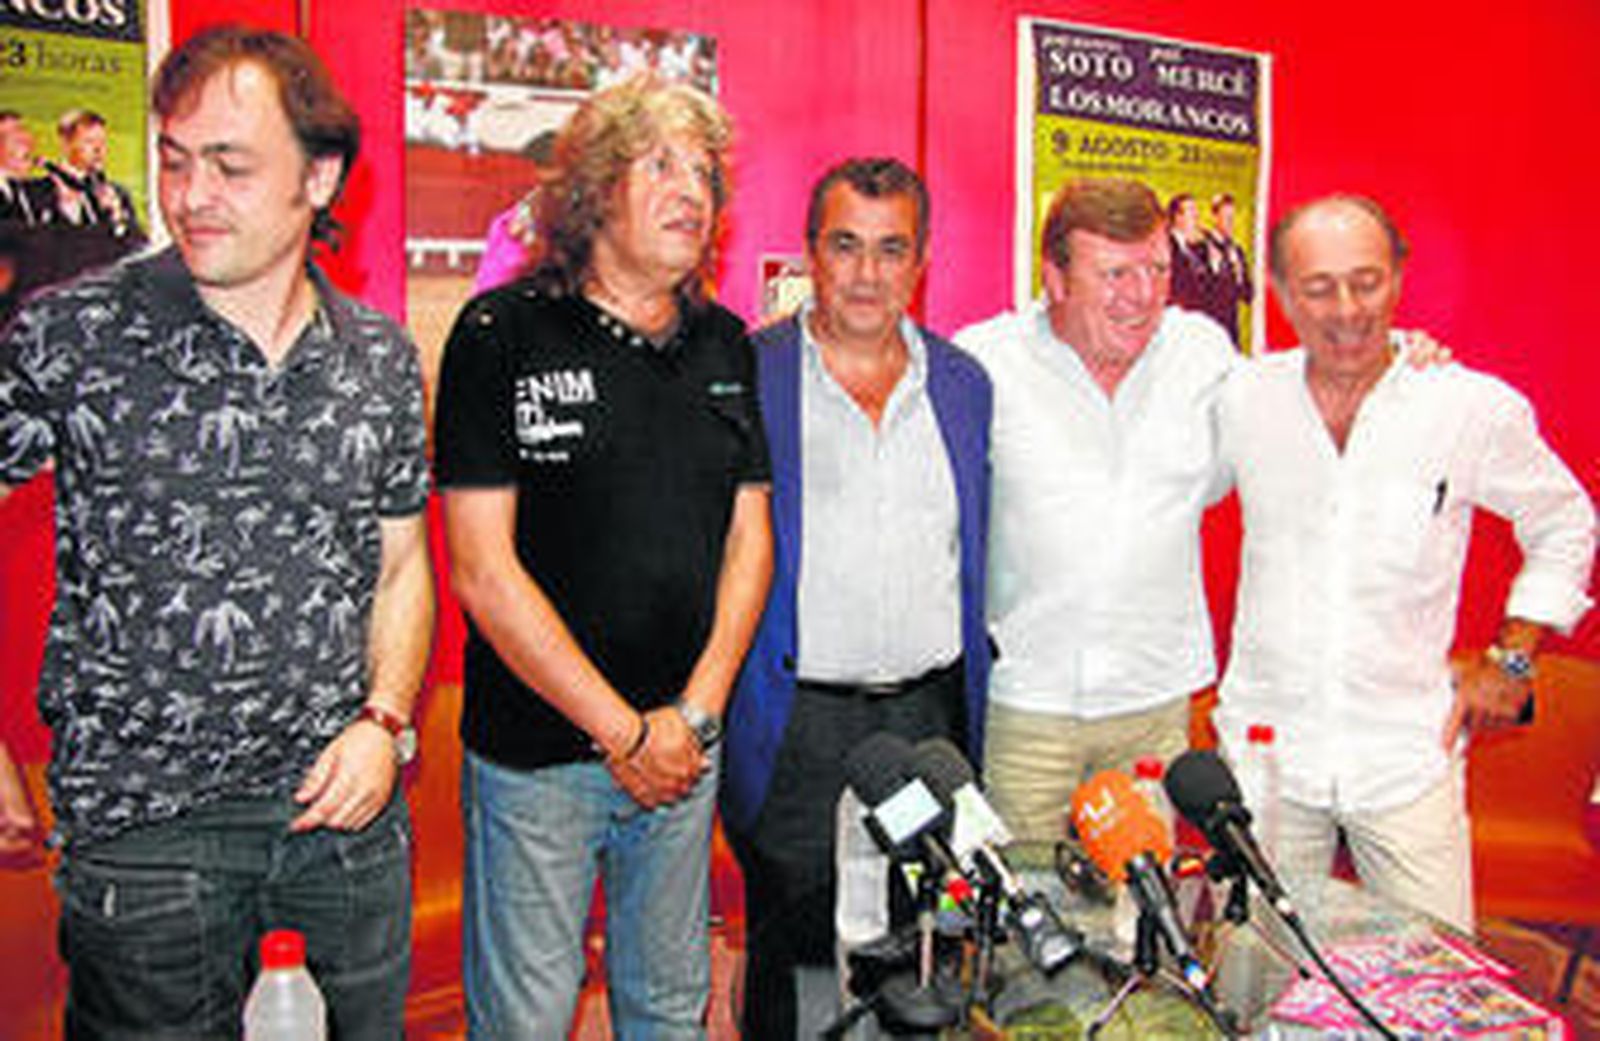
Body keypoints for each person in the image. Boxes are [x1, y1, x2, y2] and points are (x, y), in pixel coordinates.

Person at [0, 25, 434, 1038]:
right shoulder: (74, 333)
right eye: (174, 158)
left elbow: (403, 565)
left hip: (344, 829)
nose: (191, 196)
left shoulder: (377, 358)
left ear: (319, 176)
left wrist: (383, 719)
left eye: (231, 166)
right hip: (147, 837)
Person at [433, 76, 773, 1039]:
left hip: (681, 753)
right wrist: (623, 734)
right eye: (660, 164)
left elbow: (750, 540)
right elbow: (484, 572)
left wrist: (692, 719)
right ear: (591, 191)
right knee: (526, 1019)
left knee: (668, 1007)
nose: (691, 192)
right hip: (539, 762)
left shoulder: (726, 344)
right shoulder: (501, 334)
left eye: (704, 172)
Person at [1215, 194, 1596, 932]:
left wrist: (1512, 659)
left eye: (1368, 280)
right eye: (1319, 287)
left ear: (1399, 277)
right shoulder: (1240, 398)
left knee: (1436, 974)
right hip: (1268, 752)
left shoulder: (1468, 407)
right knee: (1258, 972)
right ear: (1280, 292)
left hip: (1406, 753)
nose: (1347, 308)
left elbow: (1566, 519)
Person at [721, 157, 993, 1040]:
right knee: (790, 948)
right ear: (811, 254)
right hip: (794, 721)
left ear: (920, 262)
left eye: (891, 249)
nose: (868, 273)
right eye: (846, 246)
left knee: (920, 943)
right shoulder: (746, 373)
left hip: (928, 718)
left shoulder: (962, 384)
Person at [954, 178, 1237, 841]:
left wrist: (1400, 357)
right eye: (1114, 273)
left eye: (1157, 268)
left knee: (1139, 918)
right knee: (1026, 919)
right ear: (1055, 277)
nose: (1142, 295)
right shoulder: (985, 360)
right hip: (1026, 704)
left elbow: (1298, 410)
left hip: (1154, 700)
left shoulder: (1204, 355)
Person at [43, 109, 145, 245]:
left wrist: (117, 217)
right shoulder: (42, 191)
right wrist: (70, 211)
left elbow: (139, 246)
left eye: (102, 141)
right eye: (89, 141)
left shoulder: (117, 194)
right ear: (66, 144)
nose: (98, 149)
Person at [1204, 192, 1253, 347]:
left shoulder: (1236, 251)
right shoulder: (1202, 247)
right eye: (1226, 218)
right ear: (1215, 217)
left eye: (1232, 218)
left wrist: (1239, 274)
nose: (1230, 223)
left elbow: (1248, 295)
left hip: (1231, 332)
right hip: (1208, 330)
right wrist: (1215, 269)